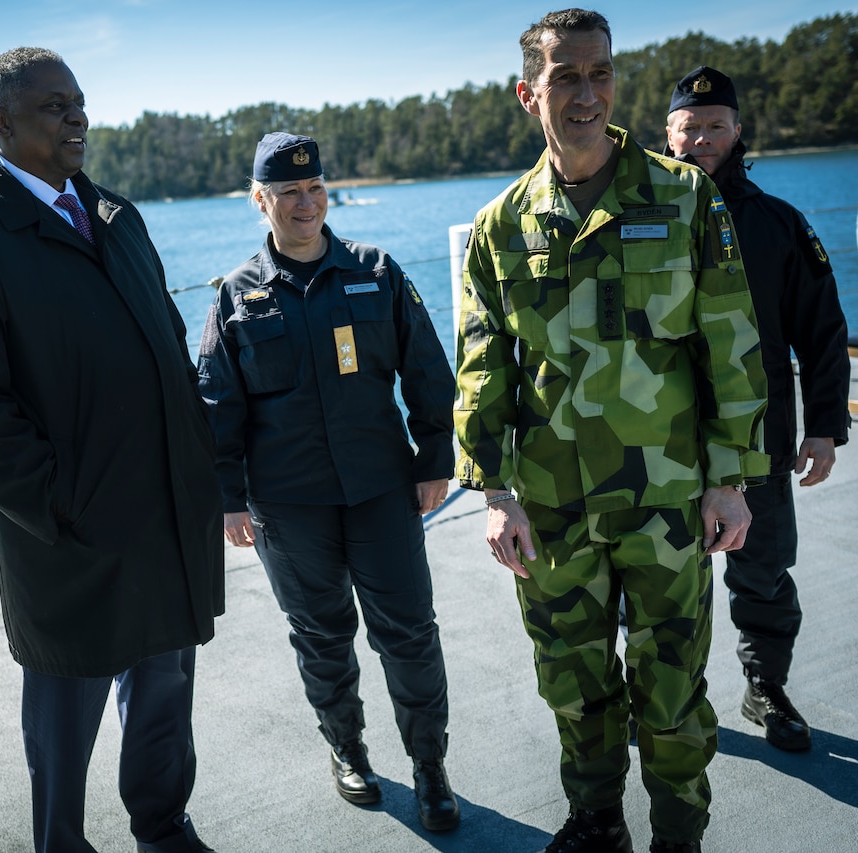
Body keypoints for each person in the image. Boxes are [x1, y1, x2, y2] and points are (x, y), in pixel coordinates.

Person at [454, 10, 770, 853]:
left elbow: (729, 341)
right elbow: (484, 367)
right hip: (553, 507)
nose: (585, 94)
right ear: (530, 93)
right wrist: (494, 490)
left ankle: (678, 836)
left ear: (615, 83)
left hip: (667, 500)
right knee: (574, 684)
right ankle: (597, 822)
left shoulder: (684, 193)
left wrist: (731, 477)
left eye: (599, 74)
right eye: (565, 77)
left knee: (670, 687)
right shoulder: (498, 227)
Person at [0, 47, 224, 853]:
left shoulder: (118, 215)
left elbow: (169, 345)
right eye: (52, 106)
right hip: (71, 539)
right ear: (0, 122)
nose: (75, 116)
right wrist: (61, 502)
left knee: (163, 693)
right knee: (65, 715)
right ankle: (61, 843)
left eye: (78, 101)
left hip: (164, 520)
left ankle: (162, 822)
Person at [197, 133, 460, 832]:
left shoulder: (377, 271)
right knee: (321, 635)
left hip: (381, 489)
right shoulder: (236, 295)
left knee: (408, 632)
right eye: (288, 193)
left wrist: (436, 453)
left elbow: (428, 368)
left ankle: (431, 768)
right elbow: (216, 405)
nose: (305, 203)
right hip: (288, 504)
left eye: (314, 189)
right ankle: (348, 751)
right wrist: (226, 498)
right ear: (261, 201)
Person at [662, 66, 850, 753]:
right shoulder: (637, 221)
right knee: (657, 582)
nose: (704, 138)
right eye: (691, 126)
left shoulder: (777, 224)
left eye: (717, 125)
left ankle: (765, 685)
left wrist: (825, 426)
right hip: (657, 441)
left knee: (763, 572)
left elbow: (823, 330)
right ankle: (666, 693)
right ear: (669, 134)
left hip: (756, 439)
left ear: (738, 131)